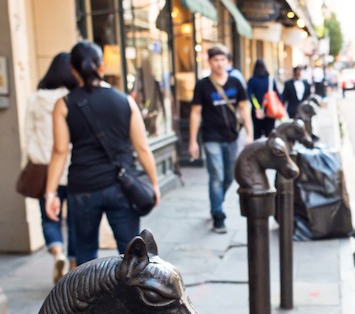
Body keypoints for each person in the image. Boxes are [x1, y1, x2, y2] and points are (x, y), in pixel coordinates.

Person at [44, 41, 161, 265]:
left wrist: (51, 193)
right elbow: (142, 147)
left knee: (85, 254)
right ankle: (131, 299)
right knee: (131, 254)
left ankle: (89, 300)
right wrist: (154, 184)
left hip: (83, 186)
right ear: (101, 66)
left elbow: (59, 151)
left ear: (73, 70)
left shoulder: (65, 104)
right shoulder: (125, 101)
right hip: (121, 186)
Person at [189, 44, 253, 234]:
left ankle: (217, 201)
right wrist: (192, 141)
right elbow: (195, 113)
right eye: (215, 60)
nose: (219, 63)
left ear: (227, 61)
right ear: (209, 62)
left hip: (232, 136)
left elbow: (244, 108)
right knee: (216, 176)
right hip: (211, 137)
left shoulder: (235, 83)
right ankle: (218, 215)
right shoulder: (202, 85)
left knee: (230, 176)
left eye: (222, 60)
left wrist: (250, 133)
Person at [25, 52, 78, 282]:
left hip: (45, 169)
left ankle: (58, 252)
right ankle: (75, 264)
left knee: (49, 218)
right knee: (75, 218)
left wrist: (32, 161)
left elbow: (28, 136)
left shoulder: (36, 99)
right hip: (72, 168)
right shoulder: (74, 98)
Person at [247, 59, 277, 140]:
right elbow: (277, 95)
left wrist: (257, 108)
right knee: (270, 135)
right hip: (270, 111)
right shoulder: (271, 80)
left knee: (257, 135)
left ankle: (258, 152)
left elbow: (250, 96)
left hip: (257, 112)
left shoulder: (251, 81)